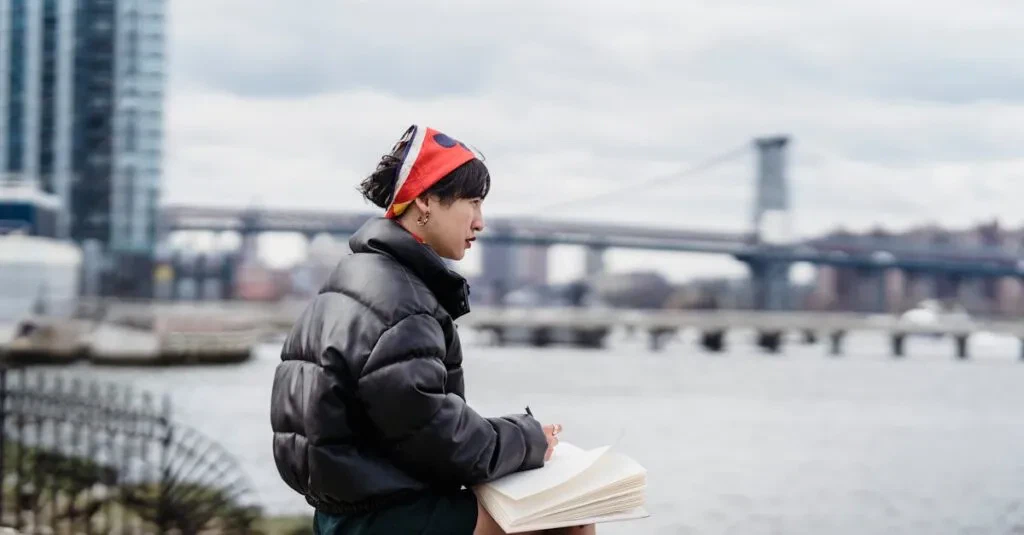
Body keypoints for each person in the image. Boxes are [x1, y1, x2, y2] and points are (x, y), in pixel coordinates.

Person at [270, 125, 595, 534]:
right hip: (384, 518)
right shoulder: (403, 302)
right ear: (424, 200)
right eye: (473, 203)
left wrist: (510, 440)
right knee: (570, 519)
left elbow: (414, 420)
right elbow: (438, 437)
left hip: (343, 508)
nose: (480, 222)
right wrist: (528, 440)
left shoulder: (355, 277)